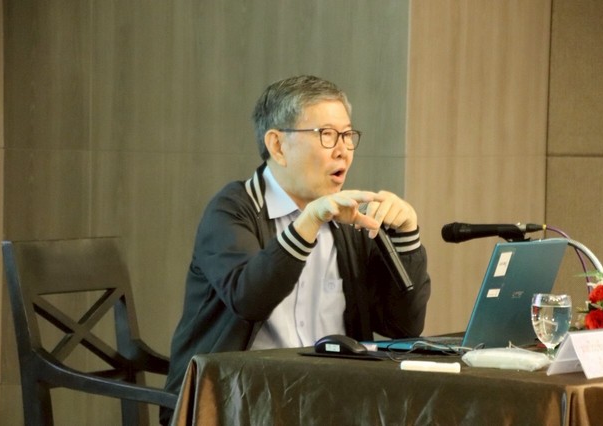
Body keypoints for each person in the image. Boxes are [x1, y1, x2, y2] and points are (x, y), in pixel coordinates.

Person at [160, 75, 431, 425]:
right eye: (327, 134)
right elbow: (250, 298)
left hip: (335, 403)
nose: (342, 150)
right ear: (277, 145)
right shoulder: (231, 210)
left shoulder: (349, 222)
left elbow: (402, 325)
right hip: (239, 405)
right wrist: (308, 223)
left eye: (348, 135)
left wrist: (407, 236)